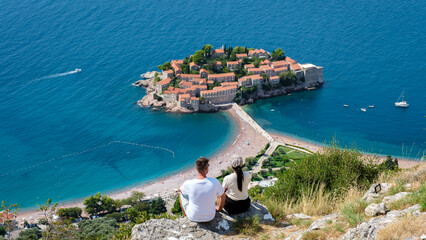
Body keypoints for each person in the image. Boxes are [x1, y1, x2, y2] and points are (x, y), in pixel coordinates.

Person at [178, 157, 226, 222]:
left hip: (193, 217)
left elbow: (179, 189)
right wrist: (219, 208)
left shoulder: (189, 183)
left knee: (181, 192)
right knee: (218, 191)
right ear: (206, 168)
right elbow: (223, 196)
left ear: (197, 168)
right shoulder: (214, 182)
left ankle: (185, 216)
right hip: (210, 216)